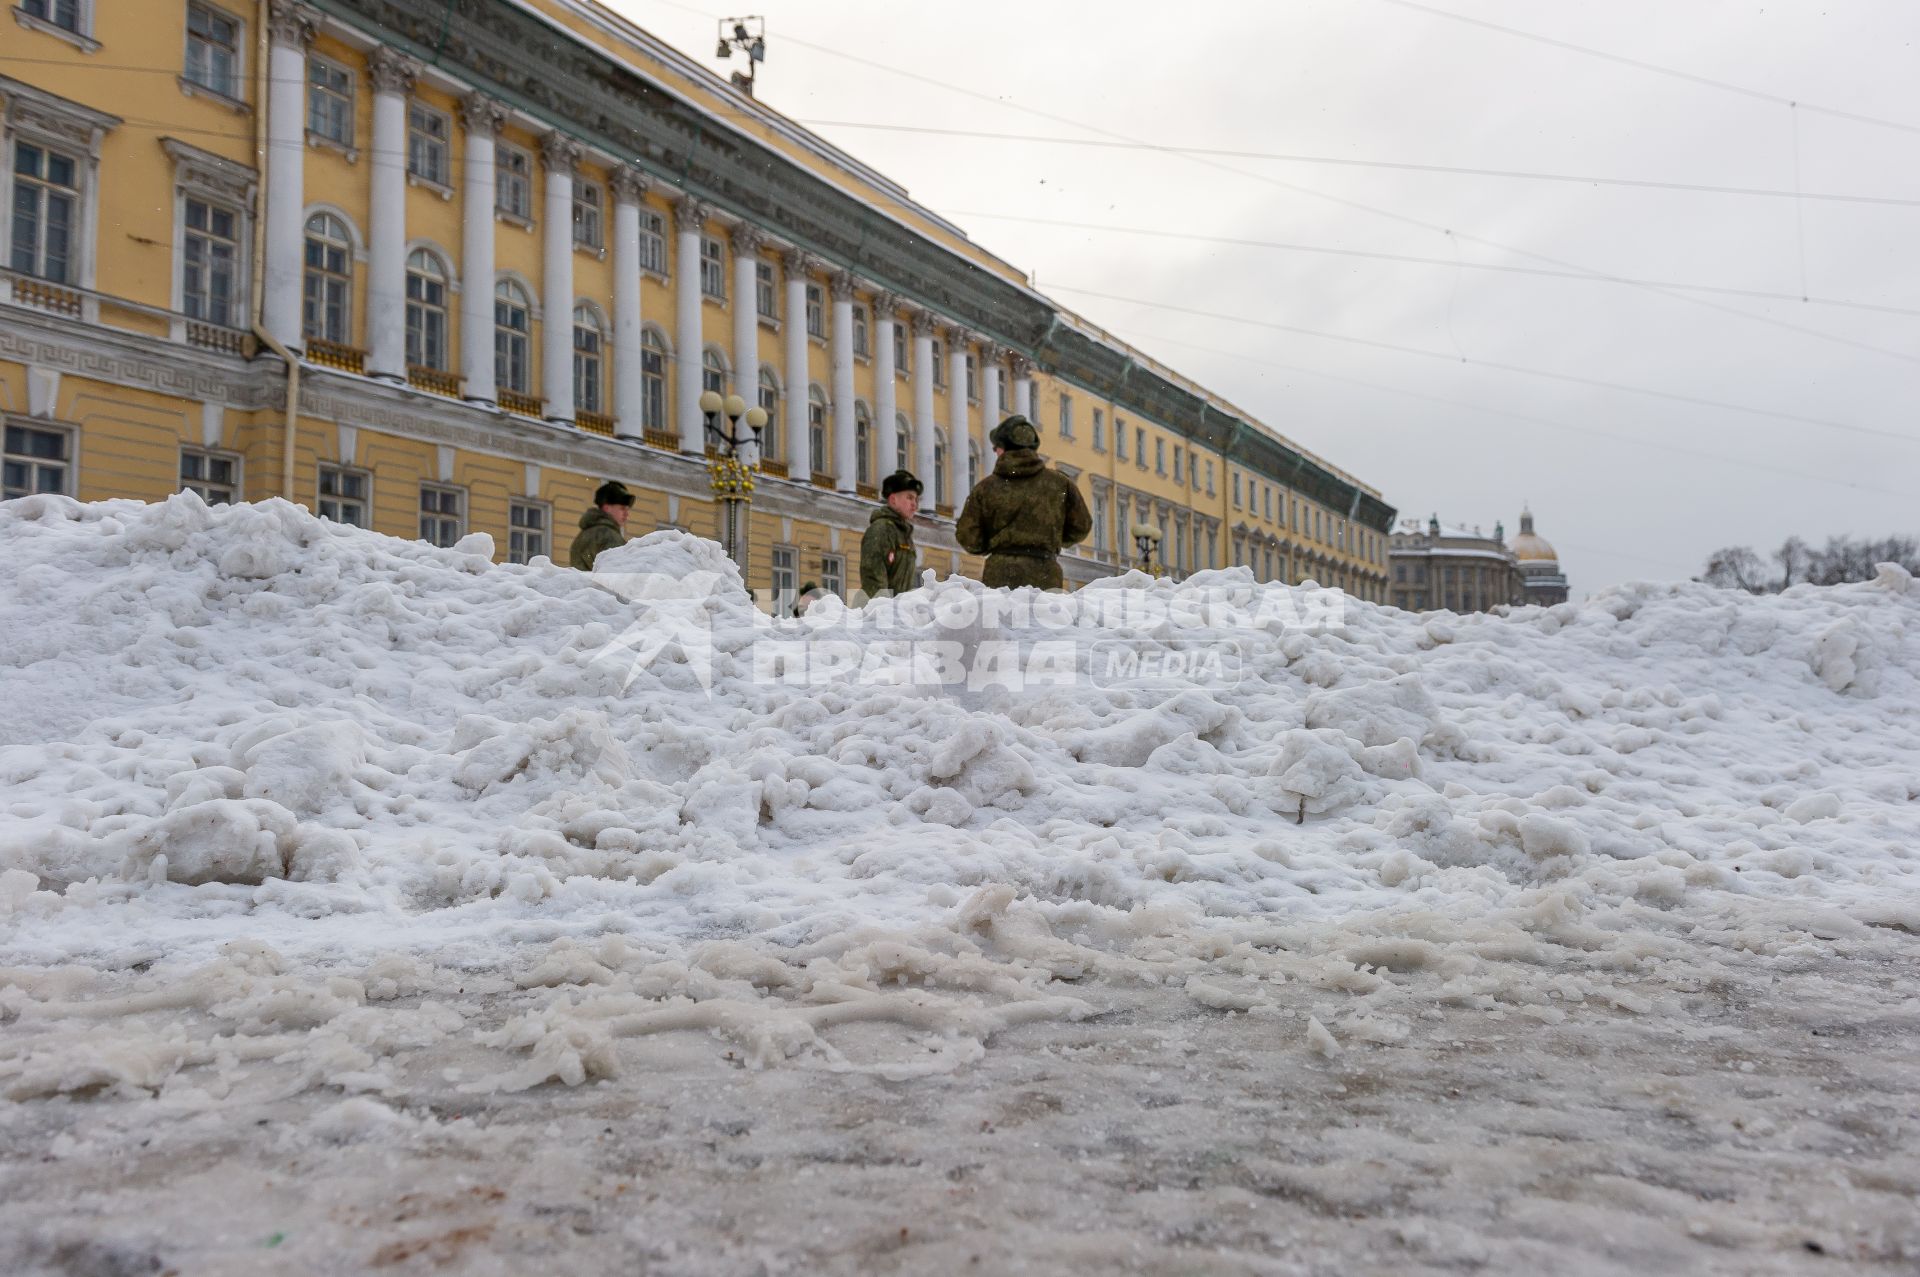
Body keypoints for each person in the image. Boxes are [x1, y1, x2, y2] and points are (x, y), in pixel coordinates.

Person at [954, 416, 1092, 590]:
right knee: (1043, 616)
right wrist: (1051, 538)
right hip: (1045, 572)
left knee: (1002, 617)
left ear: (1002, 449)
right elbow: (1082, 525)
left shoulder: (986, 488)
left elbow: (967, 535)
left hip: (1000, 574)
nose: (995, 452)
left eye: (995, 448)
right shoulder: (1060, 484)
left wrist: (994, 547)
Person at [860, 469, 922, 597]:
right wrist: (885, 611)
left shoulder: (903, 533)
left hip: (898, 611)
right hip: (882, 612)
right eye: (910, 498)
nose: (914, 505)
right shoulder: (881, 529)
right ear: (893, 499)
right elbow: (873, 577)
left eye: (916, 500)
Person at [569, 480, 633, 570]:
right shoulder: (608, 535)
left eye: (627, 509)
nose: (627, 514)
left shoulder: (584, 534)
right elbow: (620, 572)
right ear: (606, 508)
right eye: (622, 508)